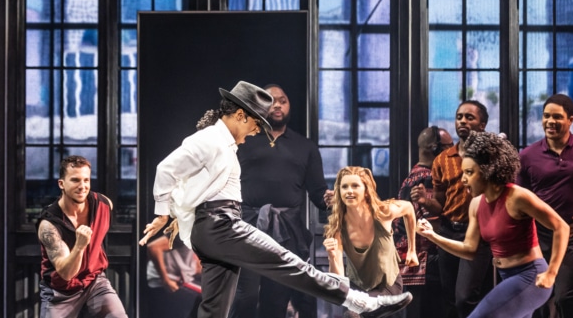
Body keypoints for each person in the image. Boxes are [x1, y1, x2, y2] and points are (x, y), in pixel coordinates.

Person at [139, 80, 412, 318]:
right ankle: (362, 301)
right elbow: (167, 169)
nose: (257, 131)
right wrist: (163, 213)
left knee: (215, 308)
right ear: (241, 115)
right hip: (222, 224)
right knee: (288, 263)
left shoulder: (225, 144)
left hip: (213, 227)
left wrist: (175, 212)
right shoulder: (210, 139)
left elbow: (193, 184)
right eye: (257, 124)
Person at [417, 131, 570, 317]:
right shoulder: (476, 204)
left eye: (469, 172)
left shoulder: (517, 197)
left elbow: (561, 226)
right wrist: (432, 236)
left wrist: (552, 273)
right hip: (507, 277)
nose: (463, 179)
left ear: (488, 171)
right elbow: (469, 249)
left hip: (530, 277)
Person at [229, 84, 327, 318]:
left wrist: (333, 199)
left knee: (276, 299)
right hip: (248, 225)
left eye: (282, 100)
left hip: (286, 230)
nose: (277, 105)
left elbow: (317, 192)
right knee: (246, 295)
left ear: (289, 105)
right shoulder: (243, 141)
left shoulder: (305, 147)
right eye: (270, 100)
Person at [516, 94, 573, 318]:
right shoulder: (527, 155)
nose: (550, 121)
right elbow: (519, 198)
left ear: (571, 120)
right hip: (541, 235)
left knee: (566, 295)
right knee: (539, 295)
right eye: (546, 116)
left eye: (557, 117)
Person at [411, 101, 494, 317]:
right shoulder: (442, 160)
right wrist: (426, 201)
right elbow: (441, 203)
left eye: (469, 117)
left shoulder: (491, 156)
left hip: (478, 233)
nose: (463, 121)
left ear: (482, 124)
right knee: (449, 297)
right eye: (459, 117)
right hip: (449, 231)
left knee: (466, 296)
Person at [36, 155, 127, 318]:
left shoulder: (103, 205)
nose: (82, 186)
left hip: (94, 282)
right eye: (75, 180)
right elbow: (66, 274)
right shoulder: (49, 225)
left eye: (86, 180)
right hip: (60, 292)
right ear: (61, 184)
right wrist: (79, 246)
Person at [323, 167, 418, 318]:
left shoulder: (383, 213)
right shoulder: (337, 227)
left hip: (388, 286)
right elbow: (339, 282)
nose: (349, 191)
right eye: (344, 186)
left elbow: (408, 208)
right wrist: (332, 256)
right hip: (357, 289)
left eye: (355, 186)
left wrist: (412, 249)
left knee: (354, 315)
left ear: (366, 190)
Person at [393, 126, 452, 318]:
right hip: (426, 262)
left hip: (412, 261)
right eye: (448, 147)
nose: (453, 152)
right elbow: (430, 223)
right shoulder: (427, 178)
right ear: (434, 149)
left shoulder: (413, 175)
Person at [146, 233, 202, 318]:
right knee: (203, 299)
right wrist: (166, 280)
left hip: (180, 282)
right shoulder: (185, 235)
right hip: (162, 281)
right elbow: (153, 248)